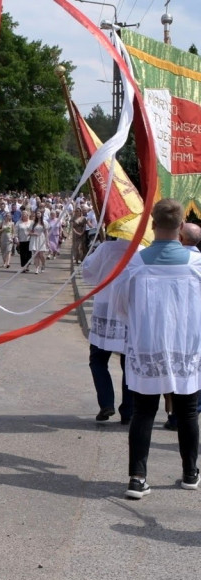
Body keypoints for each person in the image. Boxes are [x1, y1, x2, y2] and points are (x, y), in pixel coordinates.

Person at [112, 198, 201, 499]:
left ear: (152, 224)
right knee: (188, 411)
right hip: (185, 346)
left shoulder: (136, 262)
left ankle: (137, 478)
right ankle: (190, 472)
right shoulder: (195, 262)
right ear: (180, 227)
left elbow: (120, 306)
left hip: (148, 343)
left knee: (144, 411)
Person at [81, 235, 140, 425]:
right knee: (128, 363)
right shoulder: (141, 249)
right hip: (129, 309)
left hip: (106, 307)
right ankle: (128, 411)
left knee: (98, 359)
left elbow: (89, 272)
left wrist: (90, 255)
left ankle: (106, 403)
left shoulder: (106, 248)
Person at [29, 209, 48, 274]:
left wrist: (47, 241)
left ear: (41, 214)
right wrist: (34, 234)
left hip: (42, 238)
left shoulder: (44, 222)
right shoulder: (33, 223)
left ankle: (43, 264)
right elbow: (29, 232)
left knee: (41, 254)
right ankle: (37, 268)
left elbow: (46, 232)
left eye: (39, 213)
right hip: (34, 239)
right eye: (37, 214)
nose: (38, 215)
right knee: (36, 254)